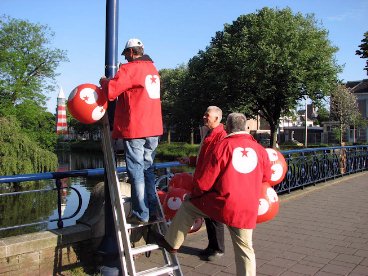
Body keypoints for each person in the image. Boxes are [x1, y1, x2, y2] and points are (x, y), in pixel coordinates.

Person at [152, 113, 271, 276]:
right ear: (245, 127)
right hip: (248, 207)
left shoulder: (223, 146)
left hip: (224, 203)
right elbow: (267, 177)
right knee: (245, 249)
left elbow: (205, 181)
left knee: (188, 207)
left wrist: (193, 195)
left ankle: (172, 243)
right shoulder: (260, 149)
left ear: (227, 127)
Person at [100, 38, 163, 224]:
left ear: (131, 52)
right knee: (148, 169)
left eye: (126, 55)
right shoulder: (153, 69)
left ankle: (140, 213)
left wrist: (105, 81)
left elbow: (112, 91)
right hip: (154, 128)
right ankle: (153, 210)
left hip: (136, 127)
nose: (126, 59)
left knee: (135, 170)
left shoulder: (129, 69)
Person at [178, 106, 227, 261]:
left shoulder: (221, 136)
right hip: (206, 182)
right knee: (209, 216)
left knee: (214, 217)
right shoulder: (210, 133)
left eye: (208, 115)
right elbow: (204, 158)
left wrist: (204, 184)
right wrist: (191, 160)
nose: (204, 117)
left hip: (212, 183)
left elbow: (214, 163)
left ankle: (218, 249)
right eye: (205, 114)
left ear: (217, 118)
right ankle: (212, 246)